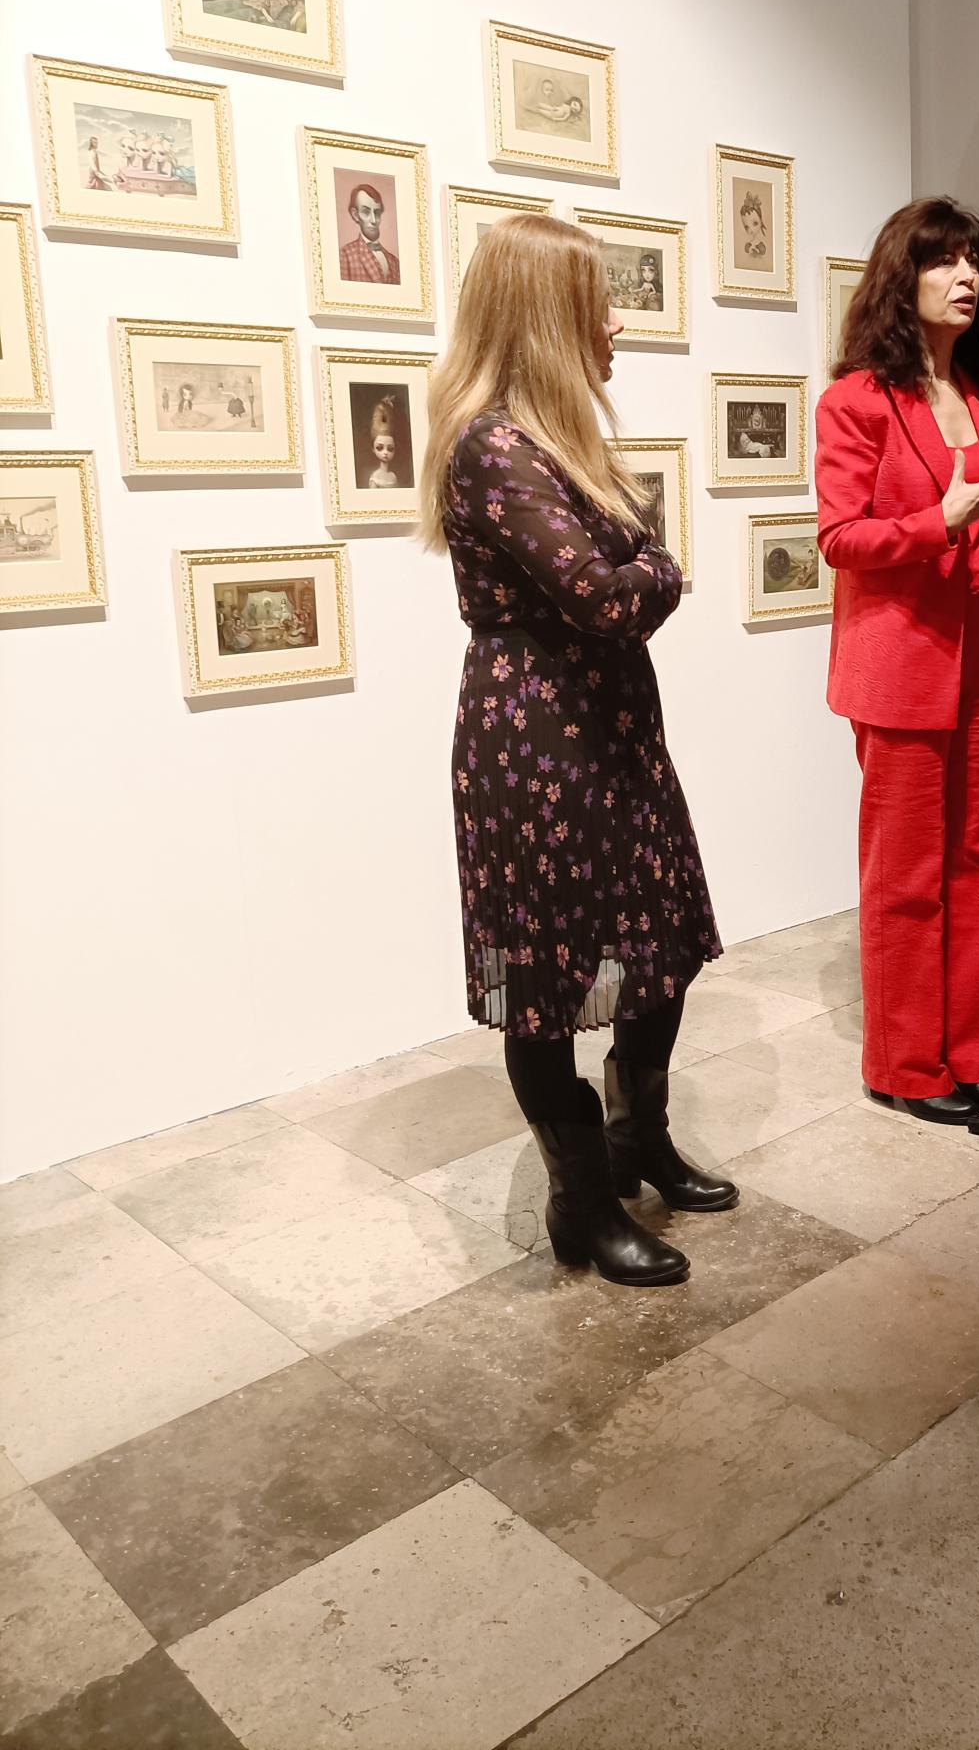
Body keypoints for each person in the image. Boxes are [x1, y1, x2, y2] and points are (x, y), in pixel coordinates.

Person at [418, 211, 732, 1286]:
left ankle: (640, 1138)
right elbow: (613, 594)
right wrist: (662, 567)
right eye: (599, 304)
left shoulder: (557, 443)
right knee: (544, 985)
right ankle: (582, 1200)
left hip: (613, 734)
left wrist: (647, 567)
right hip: (536, 749)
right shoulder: (491, 446)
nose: (617, 323)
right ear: (549, 318)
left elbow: (618, 581)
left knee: (659, 949)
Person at [814, 195, 979, 1124]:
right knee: (905, 875)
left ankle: (973, 1052)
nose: (967, 277)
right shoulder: (854, 401)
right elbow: (840, 539)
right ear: (900, 279)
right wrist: (937, 523)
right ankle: (905, 1064)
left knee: (978, 858)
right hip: (901, 669)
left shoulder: (978, 396)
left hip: (978, 662)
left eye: (973, 260)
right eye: (944, 261)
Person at [340, 184, 401, 284]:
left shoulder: (394, 261)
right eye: (366, 212)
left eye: (377, 212)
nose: (373, 220)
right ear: (355, 215)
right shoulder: (345, 255)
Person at [367, 396, 400, 488]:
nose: (385, 453)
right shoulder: (375, 477)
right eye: (379, 448)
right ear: (373, 448)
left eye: (390, 449)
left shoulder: (393, 477)